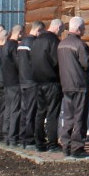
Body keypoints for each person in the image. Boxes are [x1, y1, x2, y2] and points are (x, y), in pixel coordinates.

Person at [57, 16, 89, 158]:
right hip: (79, 84)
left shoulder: (61, 44)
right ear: (78, 29)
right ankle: (77, 147)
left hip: (66, 84)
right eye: (83, 28)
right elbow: (86, 64)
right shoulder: (80, 44)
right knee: (79, 116)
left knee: (68, 116)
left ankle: (66, 145)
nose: (84, 30)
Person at [32, 18, 63, 152]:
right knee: (52, 113)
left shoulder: (36, 41)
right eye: (61, 30)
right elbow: (57, 62)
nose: (61, 32)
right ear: (57, 28)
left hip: (38, 82)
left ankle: (39, 142)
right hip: (51, 81)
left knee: (40, 112)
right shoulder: (54, 41)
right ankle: (52, 143)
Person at [17, 21, 42, 149]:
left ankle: (22, 138)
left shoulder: (22, 43)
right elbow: (37, 62)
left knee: (24, 110)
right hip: (32, 81)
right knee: (32, 111)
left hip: (22, 80)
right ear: (38, 30)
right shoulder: (33, 43)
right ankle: (30, 138)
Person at [1, 24, 23, 146]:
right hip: (14, 82)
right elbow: (18, 63)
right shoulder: (14, 46)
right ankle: (13, 137)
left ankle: (7, 134)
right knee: (15, 110)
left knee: (8, 109)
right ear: (19, 32)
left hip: (7, 81)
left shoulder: (5, 45)